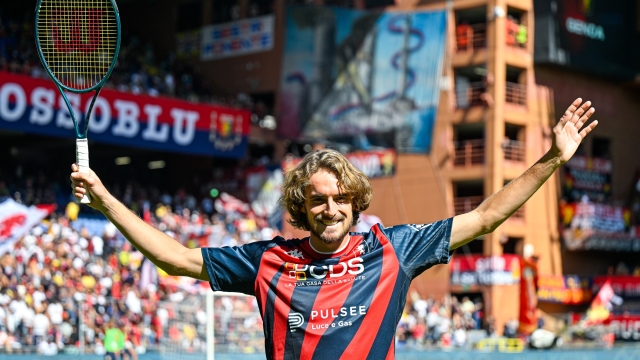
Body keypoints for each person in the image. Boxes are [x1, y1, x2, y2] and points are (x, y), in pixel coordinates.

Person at [70, 98, 598, 359]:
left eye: (339, 198)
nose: (329, 208)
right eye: (317, 200)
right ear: (301, 207)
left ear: (354, 201)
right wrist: (106, 200)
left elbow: (486, 216)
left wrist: (552, 158)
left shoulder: (395, 250)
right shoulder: (268, 260)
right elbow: (176, 259)